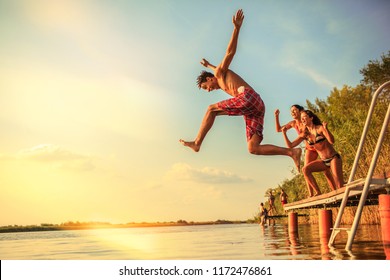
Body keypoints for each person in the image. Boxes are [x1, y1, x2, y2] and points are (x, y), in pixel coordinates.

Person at [179, 9, 301, 171]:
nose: (208, 90)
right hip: (256, 107)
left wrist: (236, 28)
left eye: (206, 87)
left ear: (209, 79)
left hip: (248, 98)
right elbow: (217, 68)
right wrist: (208, 65)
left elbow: (230, 52)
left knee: (211, 109)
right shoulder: (219, 75)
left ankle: (197, 143)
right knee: (253, 148)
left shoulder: (219, 74)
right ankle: (292, 152)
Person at [282, 110, 344, 197]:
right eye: (301, 118)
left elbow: (332, 141)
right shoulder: (305, 134)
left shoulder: (319, 128)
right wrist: (284, 134)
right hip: (324, 162)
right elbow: (290, 145)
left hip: (333, 158)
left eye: (304, 117)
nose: (302, 119)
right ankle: (318, 192)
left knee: (340, 187)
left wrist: (326, 130)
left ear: (311, 118)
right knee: (305, 169)